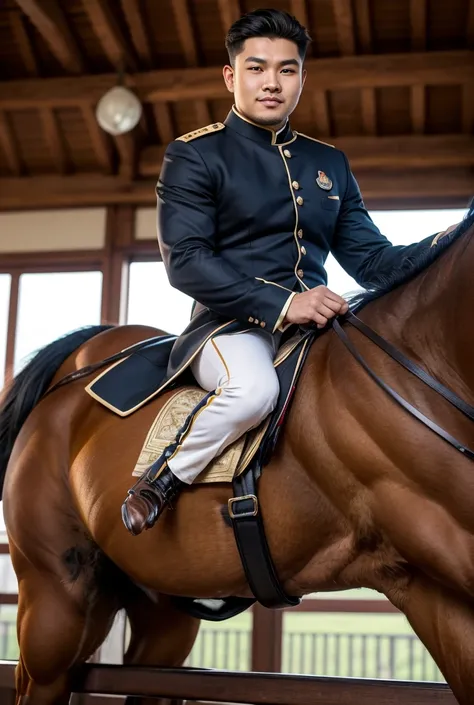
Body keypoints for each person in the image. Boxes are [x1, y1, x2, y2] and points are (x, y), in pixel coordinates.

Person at [121, 8, 440, 536]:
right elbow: (186, 260)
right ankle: (160, 479)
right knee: (253, 392)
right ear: (232, 76)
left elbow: (372, 261)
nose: (272, 82)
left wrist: (448, 242)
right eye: (257, 68)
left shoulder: (329, 162)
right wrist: (285, 303)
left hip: (316, 327)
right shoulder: (195, 155)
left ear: (301, 78)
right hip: (229, 328)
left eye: (287, 70)